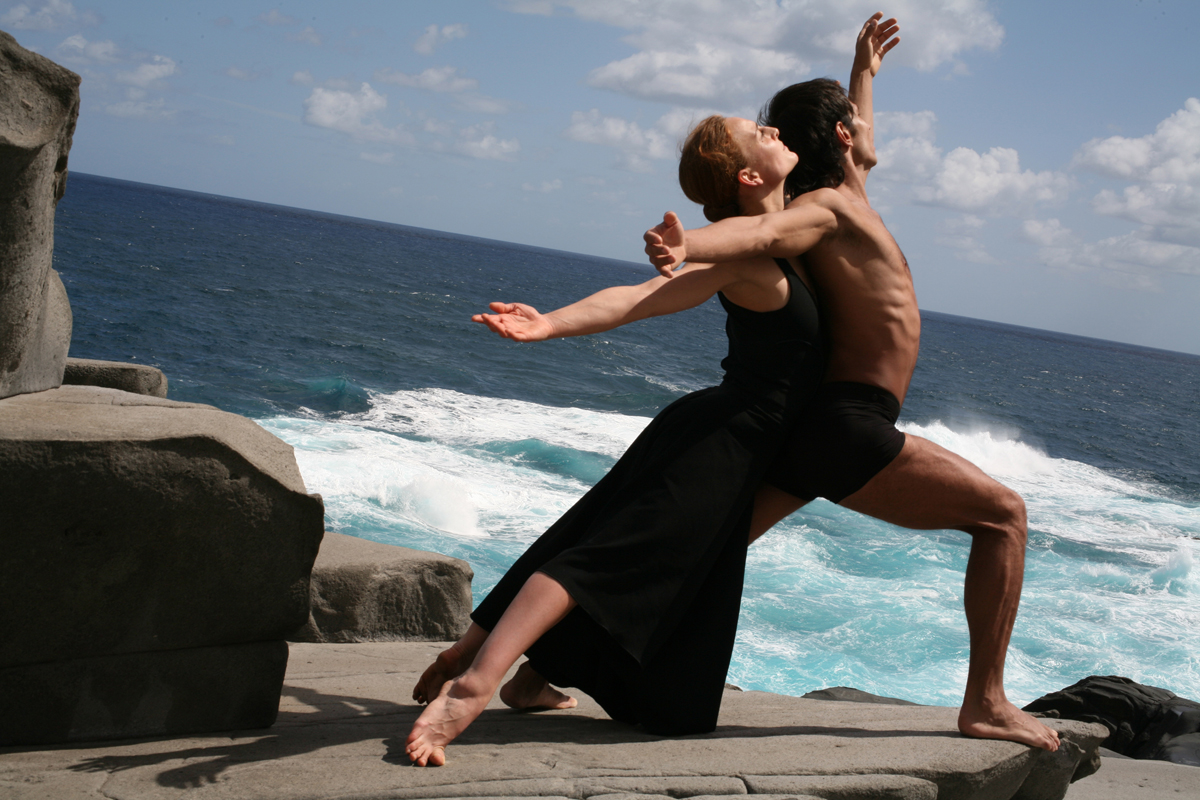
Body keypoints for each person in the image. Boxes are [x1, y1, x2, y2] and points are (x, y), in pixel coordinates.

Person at [643, 13, 1060, 752]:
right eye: (855, 122)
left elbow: (854, 135)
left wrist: (862, 69)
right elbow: (761, 236)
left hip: (822, 425)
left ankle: (539, 666)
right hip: (848, 424)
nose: (870, 132)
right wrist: (689, 243)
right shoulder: (824, 207)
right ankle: (987, 701)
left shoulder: (847, 187)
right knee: (1003, 516)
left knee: (701, 545)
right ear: (839, 137)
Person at [405, 107, 826, 766]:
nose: (775, 128)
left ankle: (517, 673)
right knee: (601, 562)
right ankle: (471, 686)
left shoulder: (790, 229)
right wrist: (550, 324)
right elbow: (640, 298)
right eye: (760, 132)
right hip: (725, 440)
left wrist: (865, 75)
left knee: (601, 556)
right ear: (747, 173)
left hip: (729, 438)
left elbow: (840, 176)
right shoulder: (740, 247)